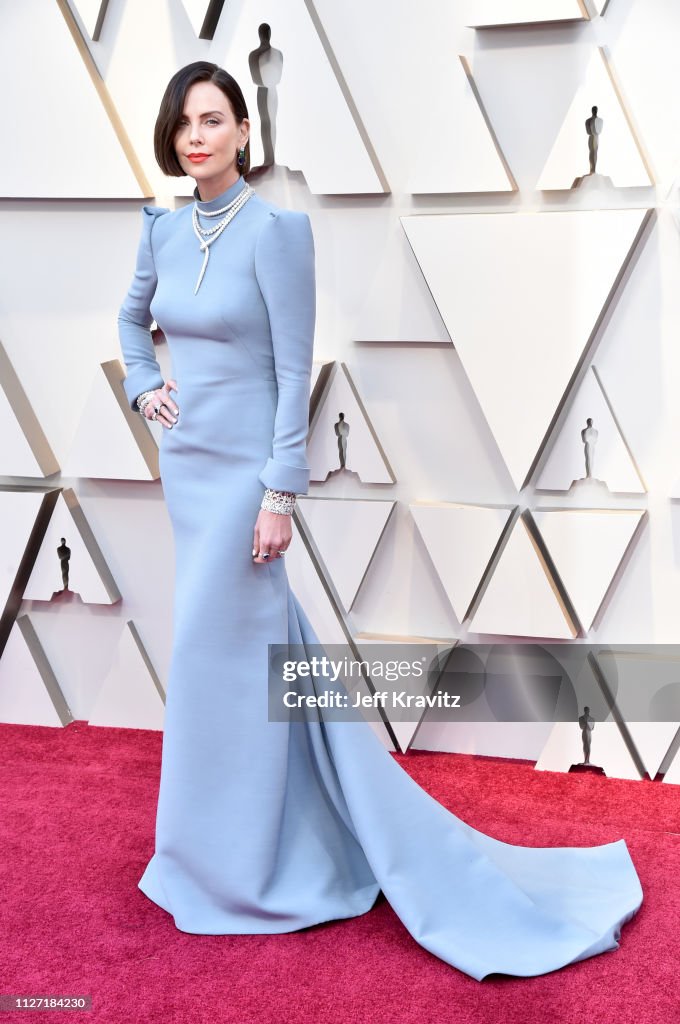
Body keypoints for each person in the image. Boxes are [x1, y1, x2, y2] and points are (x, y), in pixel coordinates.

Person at [117, 60, 643, 981]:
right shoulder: (159, 232)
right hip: (189, 471)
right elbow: (133, 324)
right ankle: (208, 855)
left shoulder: (279, 233)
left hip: (247, 477)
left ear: (244, 130)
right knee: (211, 663)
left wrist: (281, 493)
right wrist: (147, 386)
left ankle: (261, 864)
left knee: (238, 658)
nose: (194, 136)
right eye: (182, 124)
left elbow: (292, 371)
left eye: (212, 120)